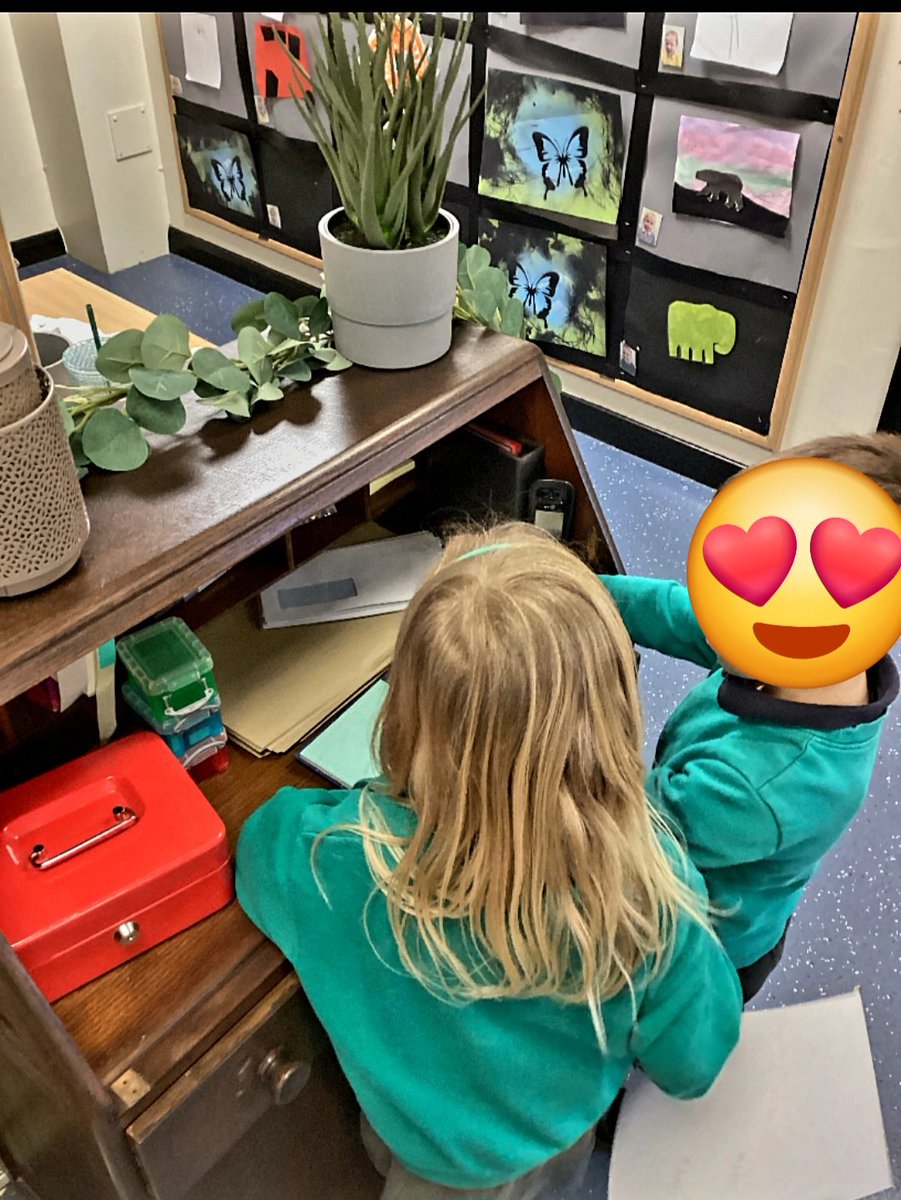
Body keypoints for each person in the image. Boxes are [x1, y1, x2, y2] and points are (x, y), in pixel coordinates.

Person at [236, 522, 742, 1200]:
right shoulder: (649, 886)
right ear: (612, 712)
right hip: (554, 1140)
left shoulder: (329, 857)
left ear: (407, 711)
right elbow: (694, 1062)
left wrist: (379, 798)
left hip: (417, 1154)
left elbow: (259, 843)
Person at [600, 432, 901, 1004]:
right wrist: (588, 594)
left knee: (660, 1026)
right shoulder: (813, 657)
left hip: (711, 944)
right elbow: (674, 613)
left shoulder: (761, 784)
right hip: (709, 856)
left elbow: (635, 834)